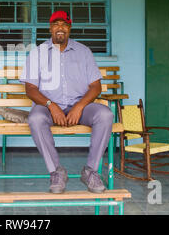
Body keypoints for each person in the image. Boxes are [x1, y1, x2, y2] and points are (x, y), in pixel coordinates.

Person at [20, 11, 113, 194]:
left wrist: (79, 107)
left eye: (64, 24)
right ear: (50, 28)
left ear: (69, 28)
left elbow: (96, 87)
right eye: (56, 23)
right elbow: (30, 89)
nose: (60, 27)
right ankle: (56, 172)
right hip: (47, 108)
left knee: (105, 114)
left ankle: (90, 171)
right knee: (35, 119)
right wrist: (51, 105)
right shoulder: (37, 53)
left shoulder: (83, 52)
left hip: (79, 107)